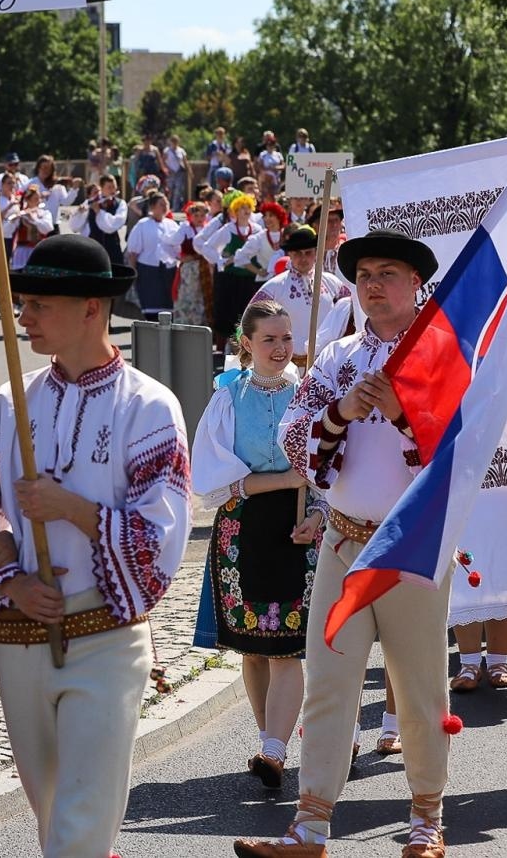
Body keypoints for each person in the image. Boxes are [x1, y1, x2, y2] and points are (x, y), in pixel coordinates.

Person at [0, 233, 190, 858]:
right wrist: (6, 575)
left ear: (91, 308)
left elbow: (161, 536)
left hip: (106, 635)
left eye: (39, 305)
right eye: (21, 303)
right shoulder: (10, 402)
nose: (22, 317)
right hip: (21, 634)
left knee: (81, 821)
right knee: (52, 812)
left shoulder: (148, 407)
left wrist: (73, 510)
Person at [246, 229, 449, 858]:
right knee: (330, 682)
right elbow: (295, 437)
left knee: (418, 688)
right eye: (363, 274)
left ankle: (426, 819)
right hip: (342, 543)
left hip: (410, 550)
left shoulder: (443, 356)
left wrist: (398, 413)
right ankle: (310, 825)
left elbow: (461, 457)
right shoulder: (335, 357)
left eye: (388, 273)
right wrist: (339, 415)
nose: (372, 284)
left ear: (416, 284)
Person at [191, 297, 318, 789]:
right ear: (246, 343)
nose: (281, 347)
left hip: (296, 526)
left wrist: (318, 513)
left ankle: (274, 749)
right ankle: (271, 739)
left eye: (287, 338)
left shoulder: (307, 394)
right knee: (252, 647)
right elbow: (216, 484)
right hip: (241, 528)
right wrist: (285, 479)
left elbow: (323, 469)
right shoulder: (226, 398)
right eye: (269, 339)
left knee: (286, 646)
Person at [251, 225, 348, 369]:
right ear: (289, 254)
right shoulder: (275, 287)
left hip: (326, 364)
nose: (303, 258)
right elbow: (251, 319)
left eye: (308, 253)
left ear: (316, 253)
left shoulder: (333, 283)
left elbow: (353, 312)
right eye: (297, 253)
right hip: (287, 367)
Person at [196, 193, 261, 352]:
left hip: (250, 279)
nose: (246, 211)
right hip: (230, 279)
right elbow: (207, 247)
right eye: (242, 208)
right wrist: (220, 261)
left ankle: (247, 348)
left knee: (248, 314)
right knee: (230, 314)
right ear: (235, 212)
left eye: (248, 208)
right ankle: (229, 347)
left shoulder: (258, 230)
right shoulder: (228, 229)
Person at [127, 191, 181, 319]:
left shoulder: (172, 224)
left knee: (168, 309)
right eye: (161, 204)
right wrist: (133, 271)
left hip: (169, 271)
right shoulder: (143, 224)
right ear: (152, 207)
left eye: (166, 203)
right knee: (151, 309)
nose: (165, 207)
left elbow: (178, 249)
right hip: (148, 271)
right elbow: (133, 252)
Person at [68, 175, 129, 269]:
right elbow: (74, 227)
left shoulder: (120, 204)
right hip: (92, 250)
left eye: (114, 186)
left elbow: (112, 226)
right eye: (109, 187)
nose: (113, 190)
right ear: (102, 188)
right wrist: (79, 213)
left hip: (112, 250)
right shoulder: (91, 202)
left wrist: (99, 212)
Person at [172, 201, 215, 328]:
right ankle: (184, 325)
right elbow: (169, 243)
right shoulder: (185, 229)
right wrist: (180, 257)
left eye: (202, 216)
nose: (199, 219)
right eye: (196, 216)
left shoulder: (208, 229)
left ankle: (202, 325)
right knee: (188, 296)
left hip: (205, 267)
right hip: (190, 269)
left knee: (203, 297)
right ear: (190, 216)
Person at [235, 203, 293, 280]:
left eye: (271, 215)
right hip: (266, 281)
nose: (267, 219)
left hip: (287, 279)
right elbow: (240, 256)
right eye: (265, 216)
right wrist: (258, 271)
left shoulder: (287, 234)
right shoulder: (259, 237)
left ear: (279, 217)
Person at [4, 185, 55, 271]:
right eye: (35, 199)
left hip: (38, 251)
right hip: (22, 252)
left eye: (39, 199)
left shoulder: (44, 214)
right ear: (28, 200)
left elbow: (48, 228)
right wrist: (13, 221)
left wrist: (34, 219)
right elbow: (6, 232)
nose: (39, 201)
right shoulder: (21, 214)